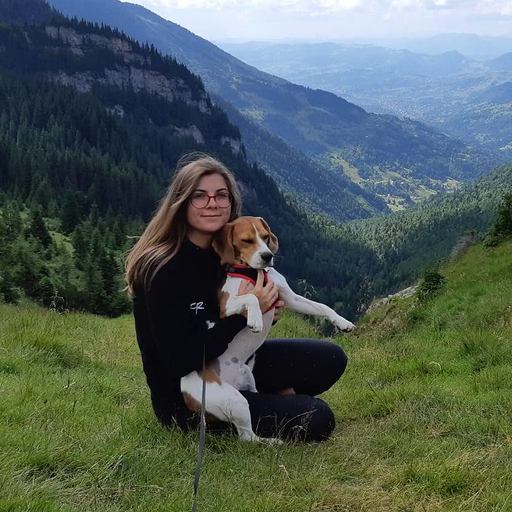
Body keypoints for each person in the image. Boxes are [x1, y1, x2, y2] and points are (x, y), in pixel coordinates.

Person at [125, 153, 348, 442]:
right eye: (200, 196)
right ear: (181, 203)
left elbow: (224, 318)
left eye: (221, 195)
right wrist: (242, 316)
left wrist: (266, 314)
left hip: (232, 361)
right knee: (318, 418)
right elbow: (179, 361)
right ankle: (249, 411)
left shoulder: (227, 253)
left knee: (330, 358)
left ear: (231, 203)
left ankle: (258, 400)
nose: (212, 203)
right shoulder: (163, 268)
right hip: (188, 393)